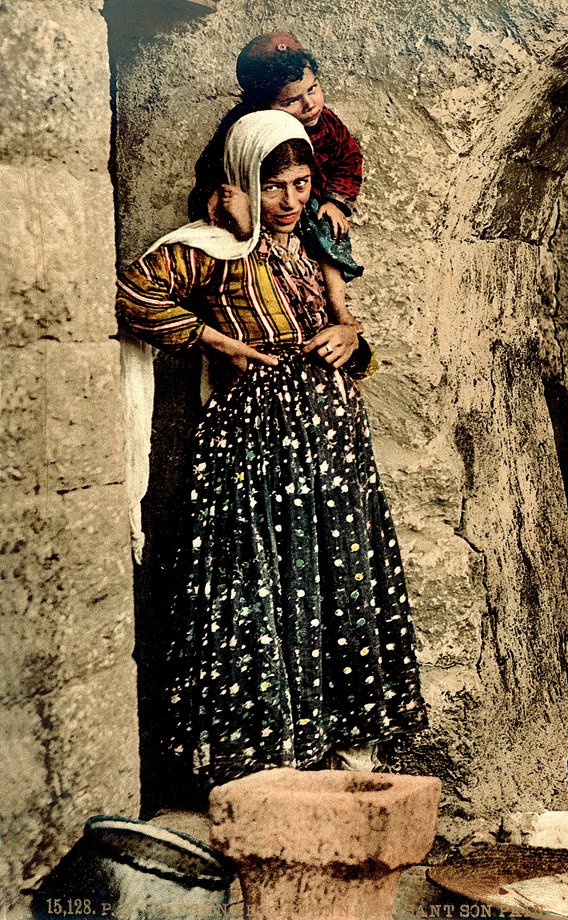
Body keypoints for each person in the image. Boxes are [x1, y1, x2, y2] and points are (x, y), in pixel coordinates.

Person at [117, 110, 424, 787]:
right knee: (262, 578)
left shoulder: (316, 244)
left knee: (336, 577)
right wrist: (217, 342)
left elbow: (350, 338)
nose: (288, 202)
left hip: (332, 437)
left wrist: (352, 335)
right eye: (272, 185)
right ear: (235, 187)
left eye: (301, 183)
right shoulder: (210, 248)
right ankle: (267, 760)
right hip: (254, 439)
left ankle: (345, 748)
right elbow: (133, 293)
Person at [190, 32, 363, 329]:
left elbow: (349, 158)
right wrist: (218, 192)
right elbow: (212, 165)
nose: (309, 105)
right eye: (291, 101)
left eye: (313, 89)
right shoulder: (244, 128)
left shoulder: (327, 123)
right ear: (262, 105)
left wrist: (336, 202)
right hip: (258, 207)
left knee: (327, 232)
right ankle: (250, 233)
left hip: (312, 205)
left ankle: (337, 304)